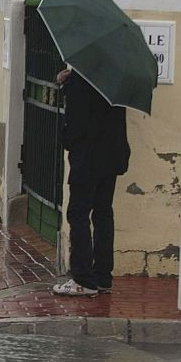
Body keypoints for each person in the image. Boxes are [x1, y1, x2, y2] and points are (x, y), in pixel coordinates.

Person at [52, 68, 130, 297]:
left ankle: (83, 279)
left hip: (87, 157)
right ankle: (103, 276)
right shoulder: (119, 78)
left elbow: (75, 123)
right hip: (113, 155)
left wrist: (67, 86)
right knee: (103, 212)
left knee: (78, 213)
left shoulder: (81, 79)